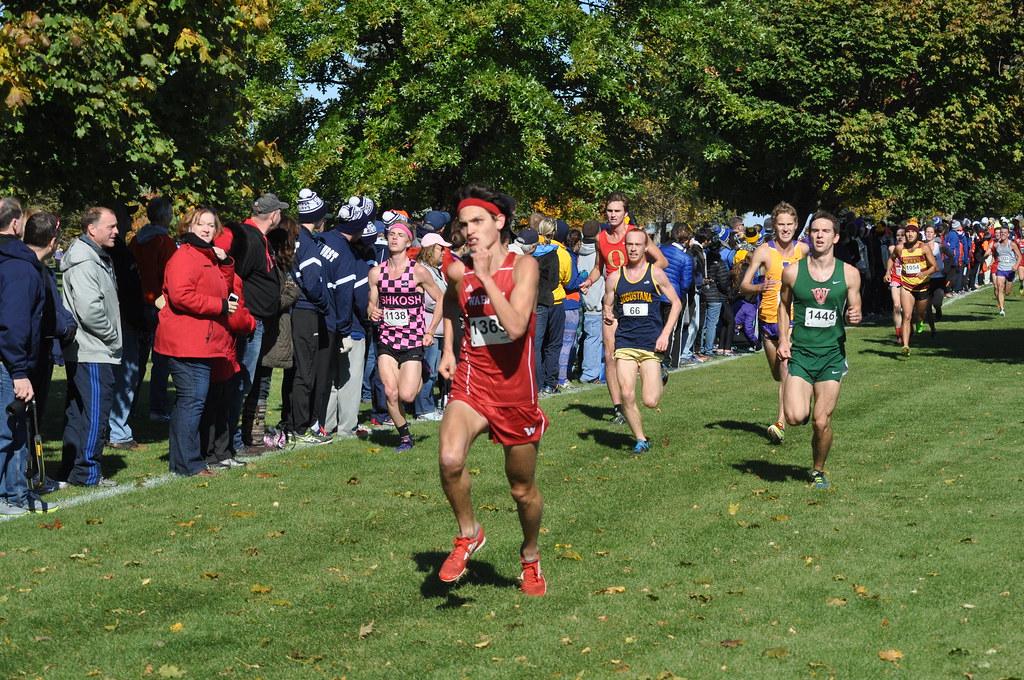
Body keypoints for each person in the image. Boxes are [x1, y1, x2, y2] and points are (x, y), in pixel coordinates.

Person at [436, 183, 548, 596]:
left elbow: (517, 327)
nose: (470, 232)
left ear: (498, 222)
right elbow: (451, 302)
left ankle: (531, 557)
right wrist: (448, 348)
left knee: (521, 489)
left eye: (478, 222)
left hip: (516, 392)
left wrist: (484, 277)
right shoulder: (456, 269)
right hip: (472, 381)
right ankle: (469, 533)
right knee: (449, 459)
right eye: (464, 225)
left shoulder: (524, 267)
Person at [155, 208, 245, 477]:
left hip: (201, 340)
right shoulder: (185, 256)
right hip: (187, 341)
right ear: (188, 227)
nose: (206, 229)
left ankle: (184, 462)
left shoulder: (207, 256)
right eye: (200, 224)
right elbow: (182, 296)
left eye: (210, 225)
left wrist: (226, 263)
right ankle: (188, 464)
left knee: (193, 401)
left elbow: (223, 287)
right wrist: (218, 306)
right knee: (192, 402)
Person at [776, 211, 862, 489]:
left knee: (821, 422)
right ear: (809, 235)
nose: (819, 235)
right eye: (815, 231)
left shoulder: (849, 274)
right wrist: (783, 340)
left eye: (825, 231)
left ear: (836, 237)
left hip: (831, 356)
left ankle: (817, 470)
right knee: (794, 417)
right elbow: (782, 307)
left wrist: (854, 316)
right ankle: (800, 402)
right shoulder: (792, 271)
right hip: (800, 354)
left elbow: (855, 308)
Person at [579, 193, 668, 425]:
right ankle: (619, 408)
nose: (613, 215)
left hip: (638, 299)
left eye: (617, 211)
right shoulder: (601, 237)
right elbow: (600, 267)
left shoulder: (636, 234)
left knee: (641, 349)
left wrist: (639, 279)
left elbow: (662, 261)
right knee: (610, 355)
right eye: (609, 211)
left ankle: (657, 370)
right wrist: (589, 280)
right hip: (613, 302)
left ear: (625, 213)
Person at [603, 228, 681, 454]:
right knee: (627, 393)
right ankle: (640, 439)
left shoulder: (655, 273)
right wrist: (608, 314)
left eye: (638, 245)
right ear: (625, 247)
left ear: (646, 247)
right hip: (625, 342)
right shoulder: (615, 277)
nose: (634, 249)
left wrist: (665, 334)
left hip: (651, 344)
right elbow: (607, 305)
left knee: (650, 401)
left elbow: (676, 304)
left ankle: (661, 372)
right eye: (630, 245)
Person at [368, 218, 444, 452]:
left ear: (409, 242)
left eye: (399, 235)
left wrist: (430, 331)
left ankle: (424, 369)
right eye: (391, 234)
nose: (393, 238)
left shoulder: (418, 272)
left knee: (408, 396)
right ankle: (405, 437)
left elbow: (441, 299)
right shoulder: (376, 273)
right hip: (387, 340)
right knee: (391, 392)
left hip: (412, 341)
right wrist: (372, 311)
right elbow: (371, 304)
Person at [59, 207, 122, 487]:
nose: (116, 231)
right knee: (95, 412)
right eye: (111, 226)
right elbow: (90, 310)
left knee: (79, 410)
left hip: (88, 349)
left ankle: (72, 469)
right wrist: (111, 337)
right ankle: (86, 470)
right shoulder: (85, 261)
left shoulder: (94, 257)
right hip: (93, 350)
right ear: (91, 229)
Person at [217, 193, 285, 455]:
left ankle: (236, 439)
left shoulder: (257, 237)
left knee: (244, 382)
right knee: (239, 381)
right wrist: (240, 314)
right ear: (273, 215)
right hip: (247, 321)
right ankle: (232, 441)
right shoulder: (247, 237)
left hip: (255, 320)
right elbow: (233, 276)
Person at [738, 202, 809, 443]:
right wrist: (760, 285)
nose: (785, 229)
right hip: (768, 321)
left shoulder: (804, 251)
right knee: (778, 375)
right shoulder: (764, 251)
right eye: (781, 224)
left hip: (793, 320)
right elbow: (743, 285)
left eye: (790, 224)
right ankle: (799, 399)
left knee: (786, 368)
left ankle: (780, 422)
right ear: (774, 226)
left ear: (796, 225)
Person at [0, 197, 48, 514]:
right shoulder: (18, 265)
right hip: (7, 361)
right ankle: (8, 497)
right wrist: (19, 371)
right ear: (17, 223)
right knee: (9, 431)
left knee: (14, 430)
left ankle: (16, 494)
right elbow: (13, 322)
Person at [283, 189, 332, 443]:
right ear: (318, 218)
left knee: (295, 369)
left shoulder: (293, 237)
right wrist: (323, 303)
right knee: (305, 370)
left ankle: (289, 422)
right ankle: (300, 428)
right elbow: (312, 283)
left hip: (294, 310)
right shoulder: (309, 242)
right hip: (306, 310)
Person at [129, 195, 175, 420]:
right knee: (161, 359)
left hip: (138, 302)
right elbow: (169, 275)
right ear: (165, 216)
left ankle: (129, 405)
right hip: (158, 304)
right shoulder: (164, 243)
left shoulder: (136, 241)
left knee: (136, 360)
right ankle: (157, 407)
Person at [883, 220, 936, 355]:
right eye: (908, 232)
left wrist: (924, 273)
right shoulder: (900, 248)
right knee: (906, 315)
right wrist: (888, 271)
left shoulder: (923, 248)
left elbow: (935, 267)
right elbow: (891, 259)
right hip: (906, 286)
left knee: (918, 315)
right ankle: (905, 346)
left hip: (922, 286)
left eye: (913, 232)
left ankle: (919, 321)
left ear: (917, 234)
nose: (910, 234)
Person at [413, 232, 451, 420]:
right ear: (429, 250)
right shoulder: (422, 270)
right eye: (440, 248)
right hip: (429, 329)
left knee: (433, 371)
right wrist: (447, 303)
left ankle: (427, 406)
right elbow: (429, 300)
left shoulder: (436, 270)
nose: (444, 252)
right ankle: (424, 409)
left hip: (439, 329)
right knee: (427, 370)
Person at [990, 225, 1021, 315]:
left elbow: (1019, 256)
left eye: (1004, 233)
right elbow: (995, 255)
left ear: (1008, 235)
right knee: (999, 287)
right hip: (1001, 269)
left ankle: (1004, 297)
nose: (1002, 234)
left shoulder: (1012, 244)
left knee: (1007, 292)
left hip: (1010, 270)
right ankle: (1002, 309)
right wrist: (992, 263)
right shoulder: (996, 245)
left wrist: (1016, 265)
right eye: (1001, 233)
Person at [885, 227, 906, 345]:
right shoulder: (892, 248)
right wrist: (888, 272)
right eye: (898, 235)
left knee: (908, 310)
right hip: (896, 279)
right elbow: (890, 261)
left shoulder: (911, 250)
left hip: (908, 280)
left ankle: (908, 330)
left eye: (902, 235)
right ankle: (899, 335)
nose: (900, 237)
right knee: (897, 306)